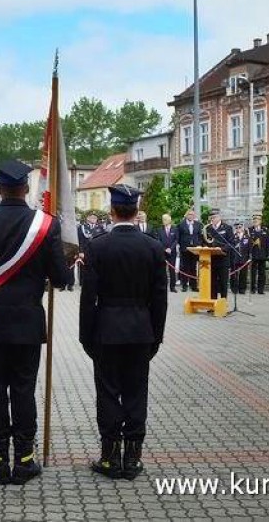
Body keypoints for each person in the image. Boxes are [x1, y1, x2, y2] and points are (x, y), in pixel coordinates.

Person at [0, 160, 71, 485]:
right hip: (27, 325)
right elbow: (60, 279)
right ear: (25, 188)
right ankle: (24, 460)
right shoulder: (46, 225)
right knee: (23, 390)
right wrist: (67, 263)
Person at [80, 184, 167, 480]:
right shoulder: (153, 246)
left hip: (106, 329)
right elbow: (160, 298)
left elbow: (88, 297)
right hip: (141, 331)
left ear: (112, 211)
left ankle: (109, 458)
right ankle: (132, 459)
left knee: (107, 393)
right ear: (135, 211)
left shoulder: (97, 246)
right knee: (136, 393)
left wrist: (85, 335)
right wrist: (157, 335)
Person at [203, 211, 233, 299]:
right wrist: (205, 247)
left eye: (214, 218)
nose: (212, 220)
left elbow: (231, 243)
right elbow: (204, 241)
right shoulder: (208, 228)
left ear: (219, 217)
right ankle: (213, 304)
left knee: (223, 283)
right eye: (211, 218)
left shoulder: (227, 228)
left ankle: (223, 304)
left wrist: (221, 249)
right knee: (212, 283)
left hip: (223, 259)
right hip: (211, 259)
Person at [177, 209, 203, 292]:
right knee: (185, 268)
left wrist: (199, 244)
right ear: (186, 215)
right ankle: (184, 285)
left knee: (193, 268)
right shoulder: (181, 224)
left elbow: (200, 236)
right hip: (185, 249)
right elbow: (178, 237)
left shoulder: (198, 224)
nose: (191, 216)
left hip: (195, 249)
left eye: (192, 214)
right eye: (189, 214)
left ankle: (194, 286)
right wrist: (181, 246)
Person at [77, 213, 104, 289]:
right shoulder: (81, 227)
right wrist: (80, 251)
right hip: (85, 250)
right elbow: (80, 240)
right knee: (83, 266)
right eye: (92, 218)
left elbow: (102, 239)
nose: (94, 219)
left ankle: (95, 281)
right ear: (87, 218)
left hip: (96, 250)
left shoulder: (100, 227)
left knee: (96, 266)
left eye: (95, 218)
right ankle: (82, 282)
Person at [155, 214, 179, 292]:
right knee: (162, 270)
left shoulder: (175, 229)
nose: (163, 221)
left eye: (165, 219)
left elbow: (176, 240)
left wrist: (170, 248)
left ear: (169, 220)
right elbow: (158, 240)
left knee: (172, 271)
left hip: (172, 253)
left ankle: (173, 287)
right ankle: (163, 287)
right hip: (162, 253)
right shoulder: (159, 229)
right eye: (163, 219)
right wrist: (164, 249)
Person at [247, 214, 269, 295]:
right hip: (253, 255)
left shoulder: (265, 230)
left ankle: (261, 289)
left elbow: (267, 243)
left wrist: (267, 254)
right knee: (252, 273)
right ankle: (252, 289)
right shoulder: (249, 230)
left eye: (258, 219)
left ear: (261, 221)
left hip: (262, 255)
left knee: (262, 273)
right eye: (254, 219)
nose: (255, 221)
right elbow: (248, 243)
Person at [231, 223, 251, 295]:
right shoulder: (233, 237)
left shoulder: (247, 237)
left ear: (243, 228)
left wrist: (249, 257)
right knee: (234, 275)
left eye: (240, 227)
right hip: (234, 258)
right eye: (237, 227)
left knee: (243, 274)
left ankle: (242, 289)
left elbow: (249, 248)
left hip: (244, 259)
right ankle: (234, 288)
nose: (238, 229)